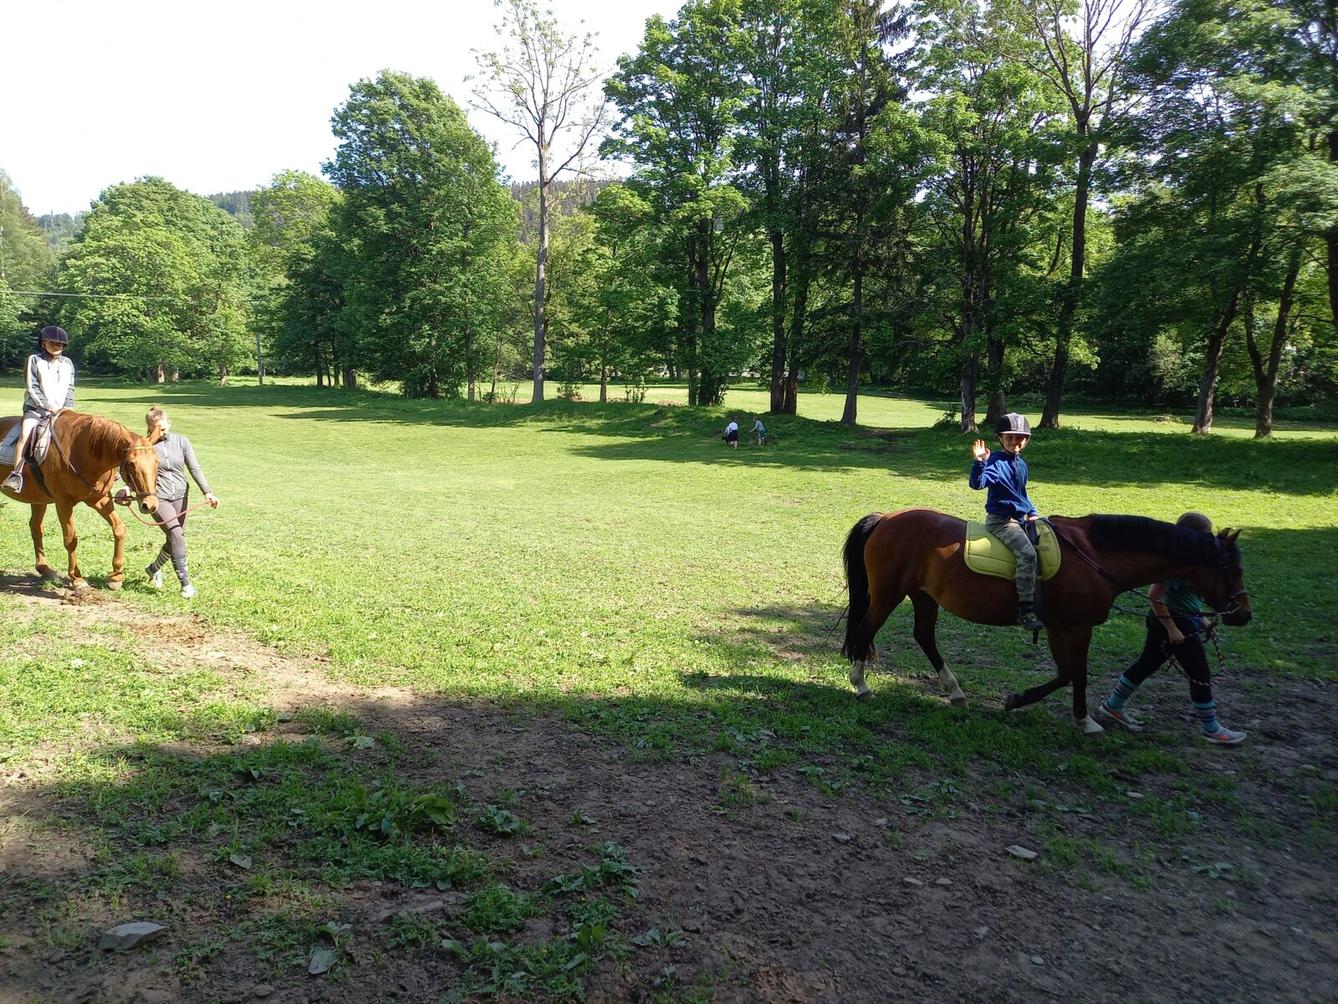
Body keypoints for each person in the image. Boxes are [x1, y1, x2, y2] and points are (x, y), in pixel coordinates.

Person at [1097, 512, 1247, 745]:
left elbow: (1190, 600)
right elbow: (1155, 596)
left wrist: (1203, 620)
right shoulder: (1176, 565)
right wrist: (1172, 629)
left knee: (1146, 664)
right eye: (1205, 535)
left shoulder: (1195, 563)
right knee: (1200, 674)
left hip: (1182, 620)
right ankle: (1212, 729)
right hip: (1171, 621)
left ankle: (1113, 706)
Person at [969, 412, 1043, 631]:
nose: (1015, 441)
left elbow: (1022, 494)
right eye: (1009, 437)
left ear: (1026, 440)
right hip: (1001, 521)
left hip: (1022, 519)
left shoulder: (1022, 465)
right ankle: (1026, 610)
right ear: (1000, 438)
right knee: (1028, 554)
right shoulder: (994, 461)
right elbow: (977, 484)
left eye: (1020, 437)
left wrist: (1032, 511)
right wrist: (980, 463)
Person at [141, 406, 219, 599]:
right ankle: (186, 585)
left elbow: (194, 468)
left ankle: (153, 569)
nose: (161, 430)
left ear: (169, 422)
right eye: (156, 427)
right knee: (176, 534)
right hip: (159, 497)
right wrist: (126, 488)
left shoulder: (182, 441)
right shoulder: (145, 445)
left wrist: (207, 492)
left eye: (163, 426)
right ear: (150, 427)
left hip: (181, 496)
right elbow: (135, 470)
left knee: (176, 537)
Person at [3, 325, 76, 493]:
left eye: (59, 344)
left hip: (62, 410)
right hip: (36, 409)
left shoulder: (68, 363)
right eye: (52, 343)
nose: (56, 347)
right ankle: (16, 474)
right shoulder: (34, 360)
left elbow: (70, 388)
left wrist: (68, 408)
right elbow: (32, 387)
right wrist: (47, 406)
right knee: (25, 434)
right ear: (43, 344)